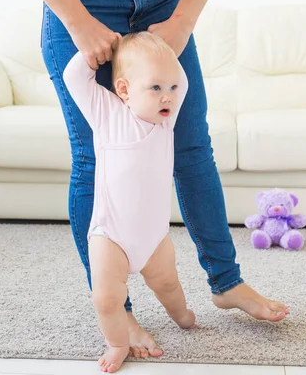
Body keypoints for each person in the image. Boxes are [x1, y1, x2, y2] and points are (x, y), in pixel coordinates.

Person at [27, 0, 290, 360]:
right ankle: (120, 315)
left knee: (194, 148)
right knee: (92, 155)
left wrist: (184, 20)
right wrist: (77, 22)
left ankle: (227, 282)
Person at [63, 31, 196, 373]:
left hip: (154, 238)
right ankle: (117, 342)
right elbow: (73, 77)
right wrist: (100, 47)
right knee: (106, 299)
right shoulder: (108, 114)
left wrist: (163, 46)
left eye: (171, 89)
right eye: (155, 88)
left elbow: (179, 74)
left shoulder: (166, 120)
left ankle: (181, 316)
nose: (167, 96)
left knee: (169, 285)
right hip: (111, 234)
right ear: (123, 90)